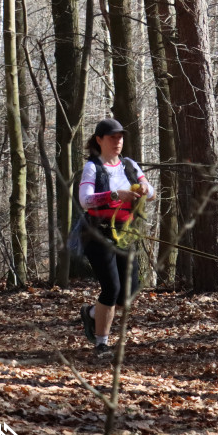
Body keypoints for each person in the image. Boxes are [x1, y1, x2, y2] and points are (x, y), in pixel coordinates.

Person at [77, 119, 155, 359]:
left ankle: (91, 313)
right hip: (97, 234)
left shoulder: (129, 165)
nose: (117, 141)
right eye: (112, 137)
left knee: (126, 294)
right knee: (111, 288)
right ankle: (101, 344)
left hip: (125, 233)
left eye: (120, 137)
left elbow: (151, 192)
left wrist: (143, 190)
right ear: (99, 140)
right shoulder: (93, 168)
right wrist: (113, 194)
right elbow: (85, 199)